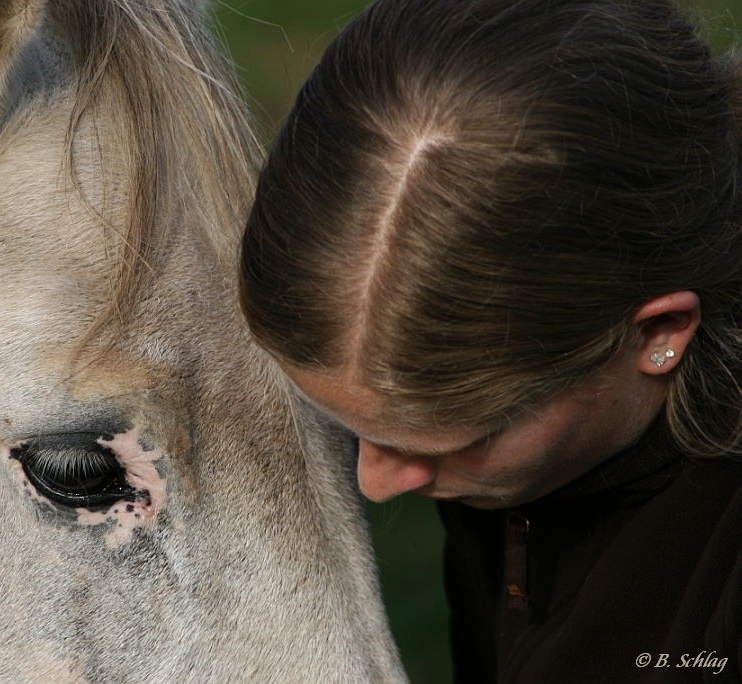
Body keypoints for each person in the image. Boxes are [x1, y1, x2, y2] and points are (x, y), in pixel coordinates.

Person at [238, 0, 742, 681]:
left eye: (456, 439)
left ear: (657, 334)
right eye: (350, 427)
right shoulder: (534, 444)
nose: (375, 483)